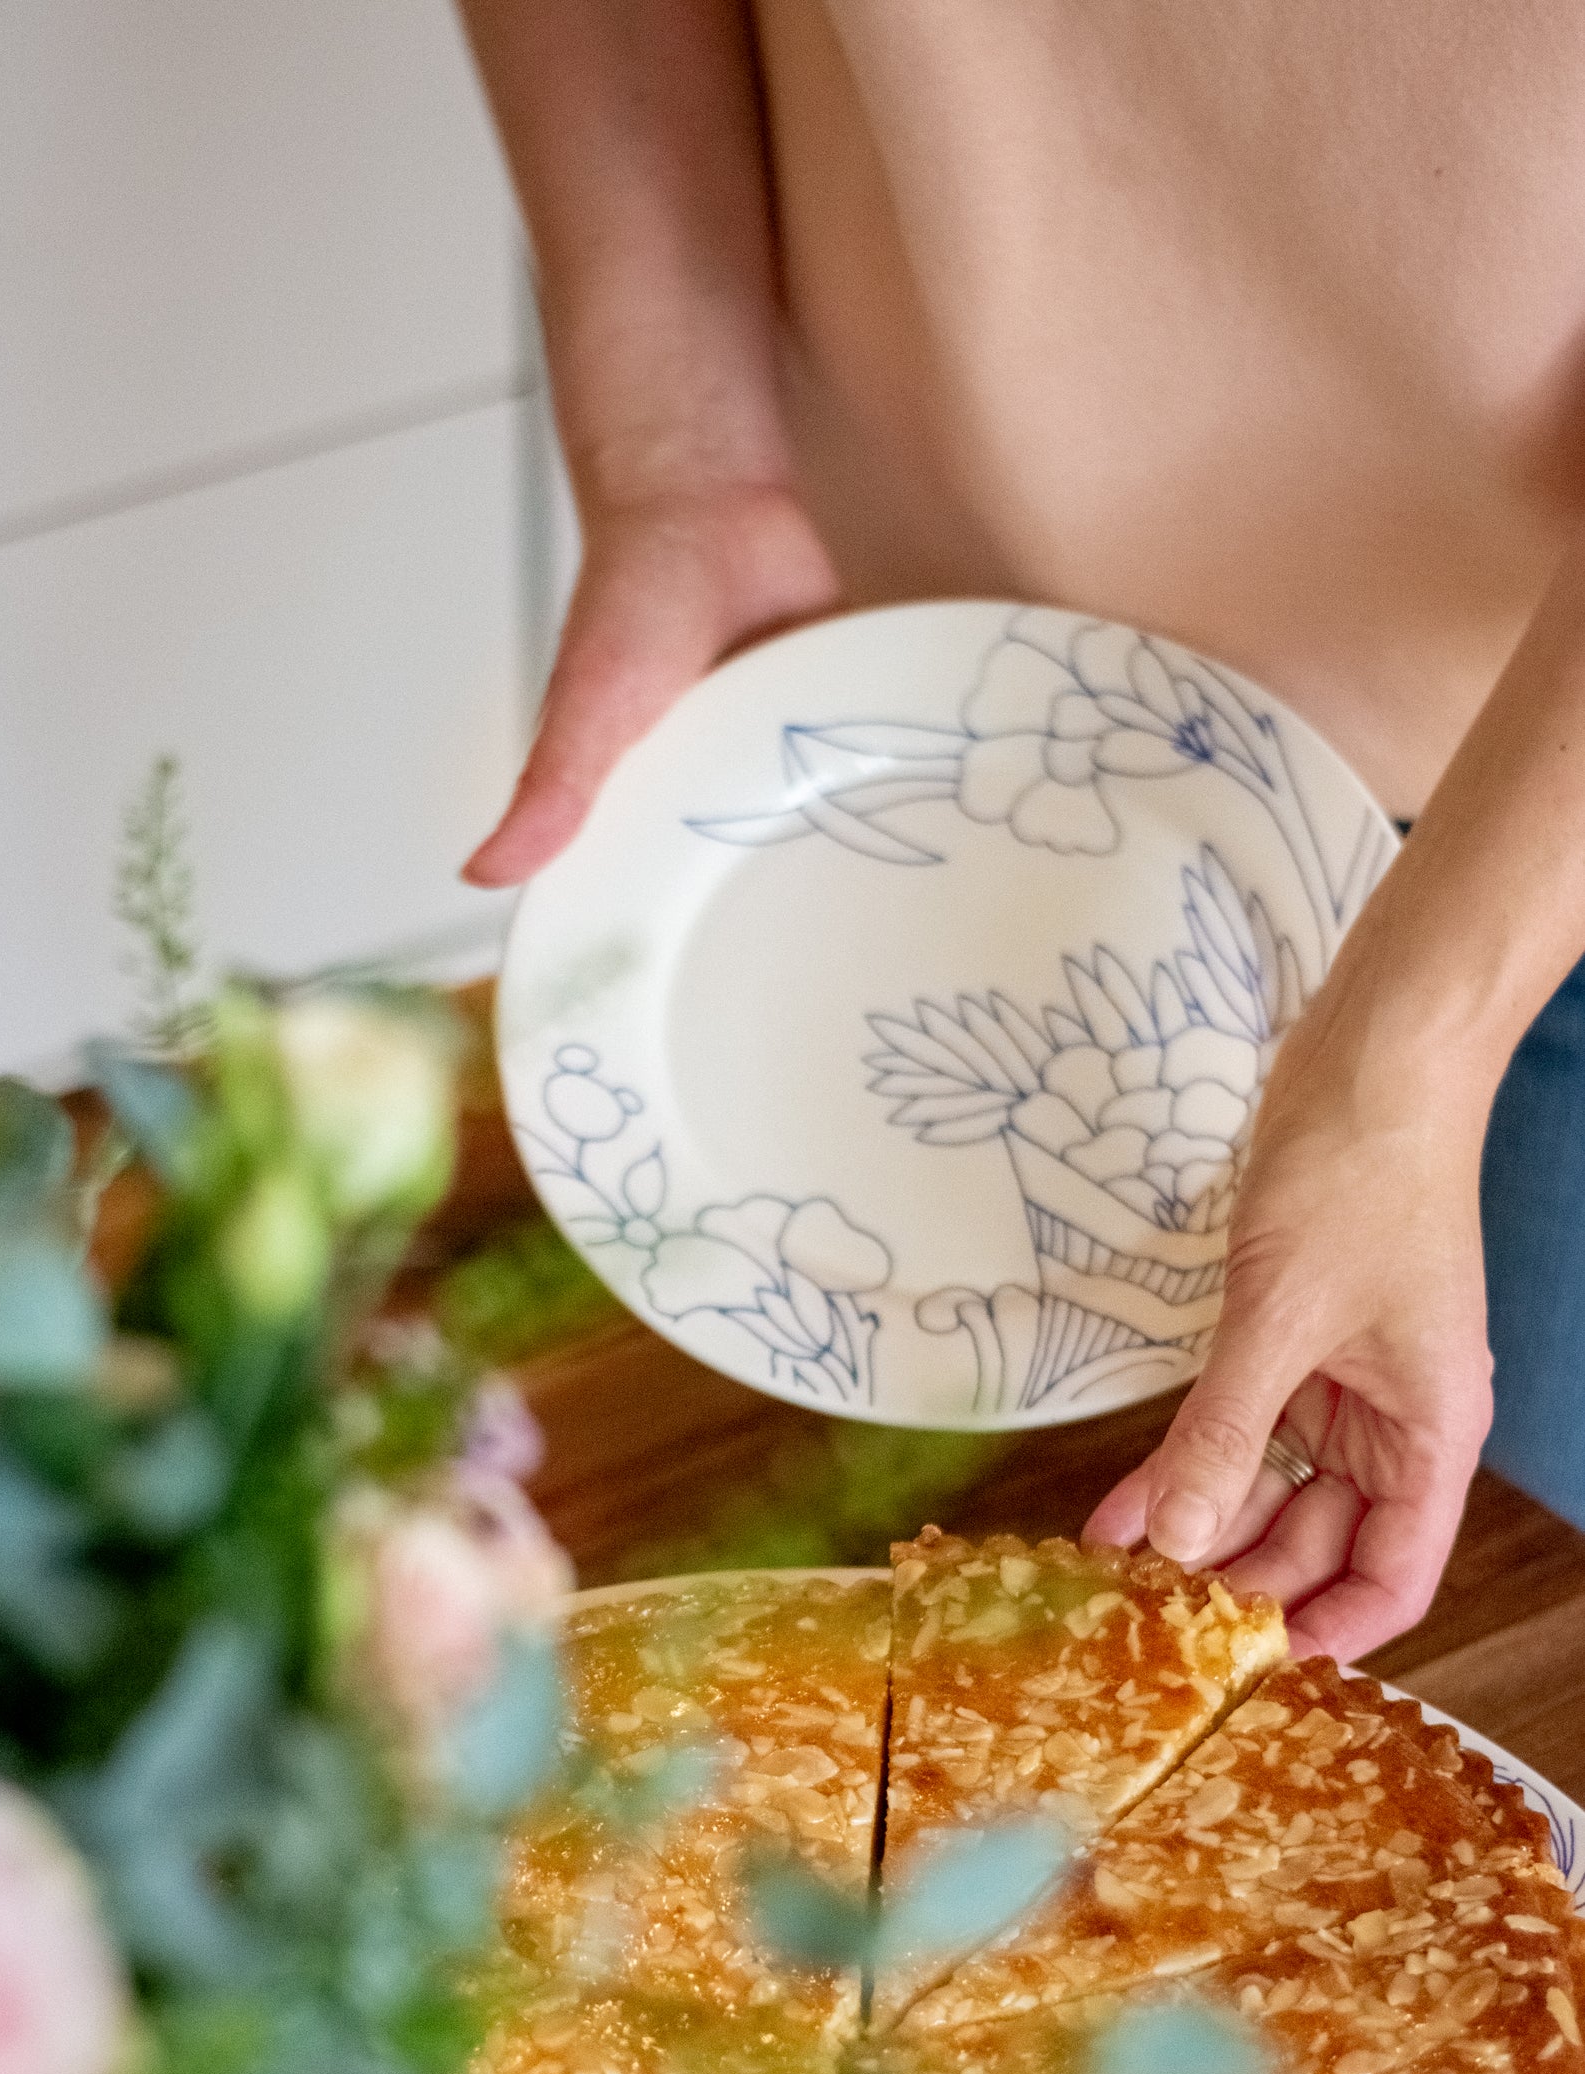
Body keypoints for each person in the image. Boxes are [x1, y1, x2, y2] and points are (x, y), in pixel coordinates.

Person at [454, 0, 1585, 1660]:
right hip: (923, 717)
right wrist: (678, 466)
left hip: (1530, 804)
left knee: (1461, 1684)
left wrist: (1404, 1065)